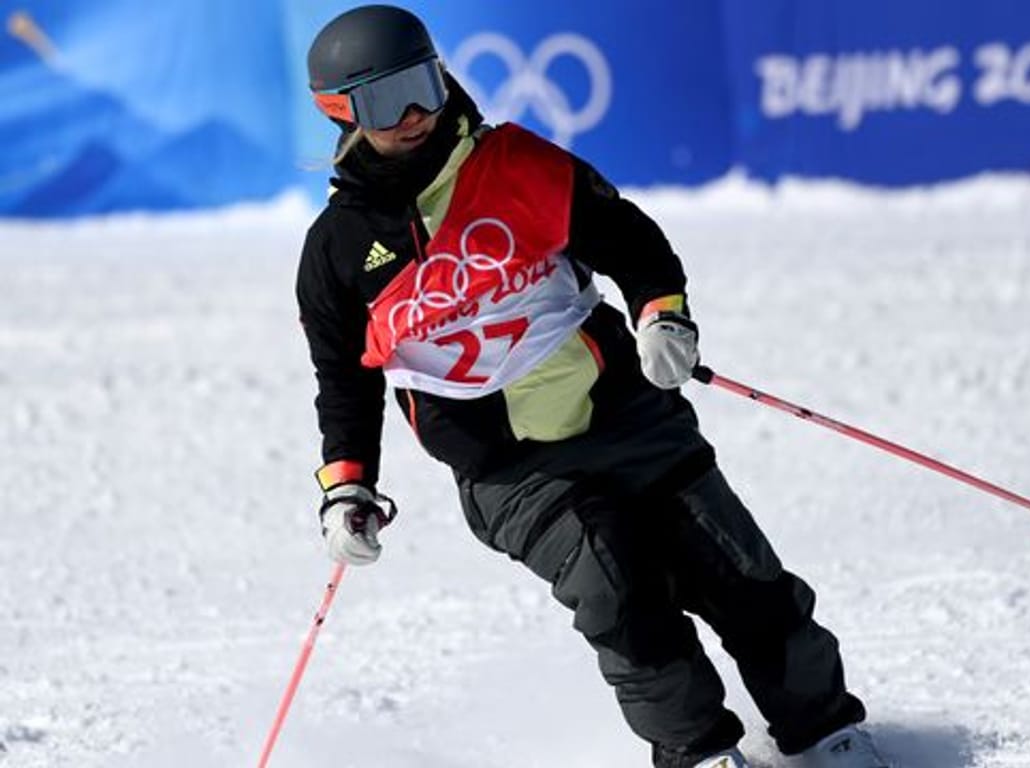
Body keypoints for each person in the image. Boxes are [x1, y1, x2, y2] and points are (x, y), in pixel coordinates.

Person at [298, 6, 891, 767]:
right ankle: (699, 752)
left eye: (423, 87)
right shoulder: (338, 252)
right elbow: (344, 379)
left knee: (738, 572)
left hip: (627, 416)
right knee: (622, 598)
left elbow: (631, 241)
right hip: (511, 469)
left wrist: (662, 316)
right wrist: (348, 486)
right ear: (341, 113)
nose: (415, 115)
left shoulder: (517, 166)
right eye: (386, 102)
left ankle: (827, 732)